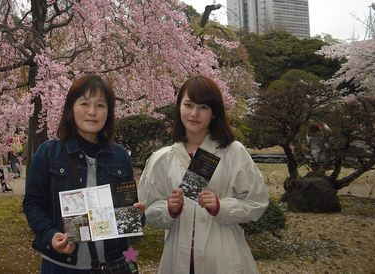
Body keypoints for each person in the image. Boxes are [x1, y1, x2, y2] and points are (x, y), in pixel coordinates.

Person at [138, 76, 268, 274]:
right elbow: (150, 209)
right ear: (179, 107)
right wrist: (170, 210)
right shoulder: (162, 158)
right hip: (177, 259)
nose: (194, 113)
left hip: (222, 258)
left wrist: (220, 207)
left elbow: (256, 202)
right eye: (188, 105)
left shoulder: (232, 152)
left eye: (204, 107)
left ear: (214, 113)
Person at [23, 74, 138, 273]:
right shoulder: (49, 153)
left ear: (108, 112)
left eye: (101, 105)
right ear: (70, 109)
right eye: (84, 103)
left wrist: (136, 214)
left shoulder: (120, 157)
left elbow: (125, 215)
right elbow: (33, 204)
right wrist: (50, 234)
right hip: (62, 266)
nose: (92, 112)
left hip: (112, 265)